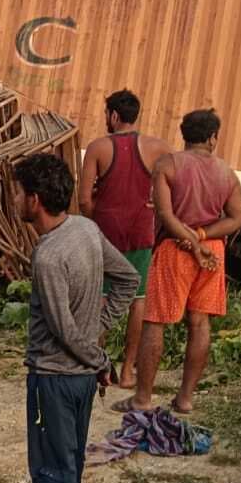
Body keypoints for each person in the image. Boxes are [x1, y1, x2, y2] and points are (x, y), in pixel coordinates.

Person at [13, 154, 140, 483]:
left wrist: (98, 357)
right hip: (82, 382)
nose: (14, 200)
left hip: (53, 380)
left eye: (17, 192)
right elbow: (129, 279)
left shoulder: (49, 257)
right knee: (69, 468)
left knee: (53, 475)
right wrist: (97, 331)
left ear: (34, 200)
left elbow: (64, 331)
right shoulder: (85, 229)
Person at [121, 109, 241, 415]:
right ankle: (185, 399)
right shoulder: (227, 174)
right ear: (213, 137)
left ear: (184, 135)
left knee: (156, 322)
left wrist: (191, 241)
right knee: (200, 322)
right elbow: (237, 218)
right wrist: (202, 238)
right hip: (212, 252)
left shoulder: (168, 165)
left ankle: (142, 399)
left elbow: (165, 215)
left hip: (175, 249)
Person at [78, 90, 169, 389]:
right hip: (141, 233)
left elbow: (83, 200)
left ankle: (97, 367)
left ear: (114, 115)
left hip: (106, 234)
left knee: (100, 298)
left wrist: (96, 220)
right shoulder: (159, 148)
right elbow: (173, 188)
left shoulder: (98, 148)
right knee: (137, 300)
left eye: (106, 114)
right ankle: (128, 370)